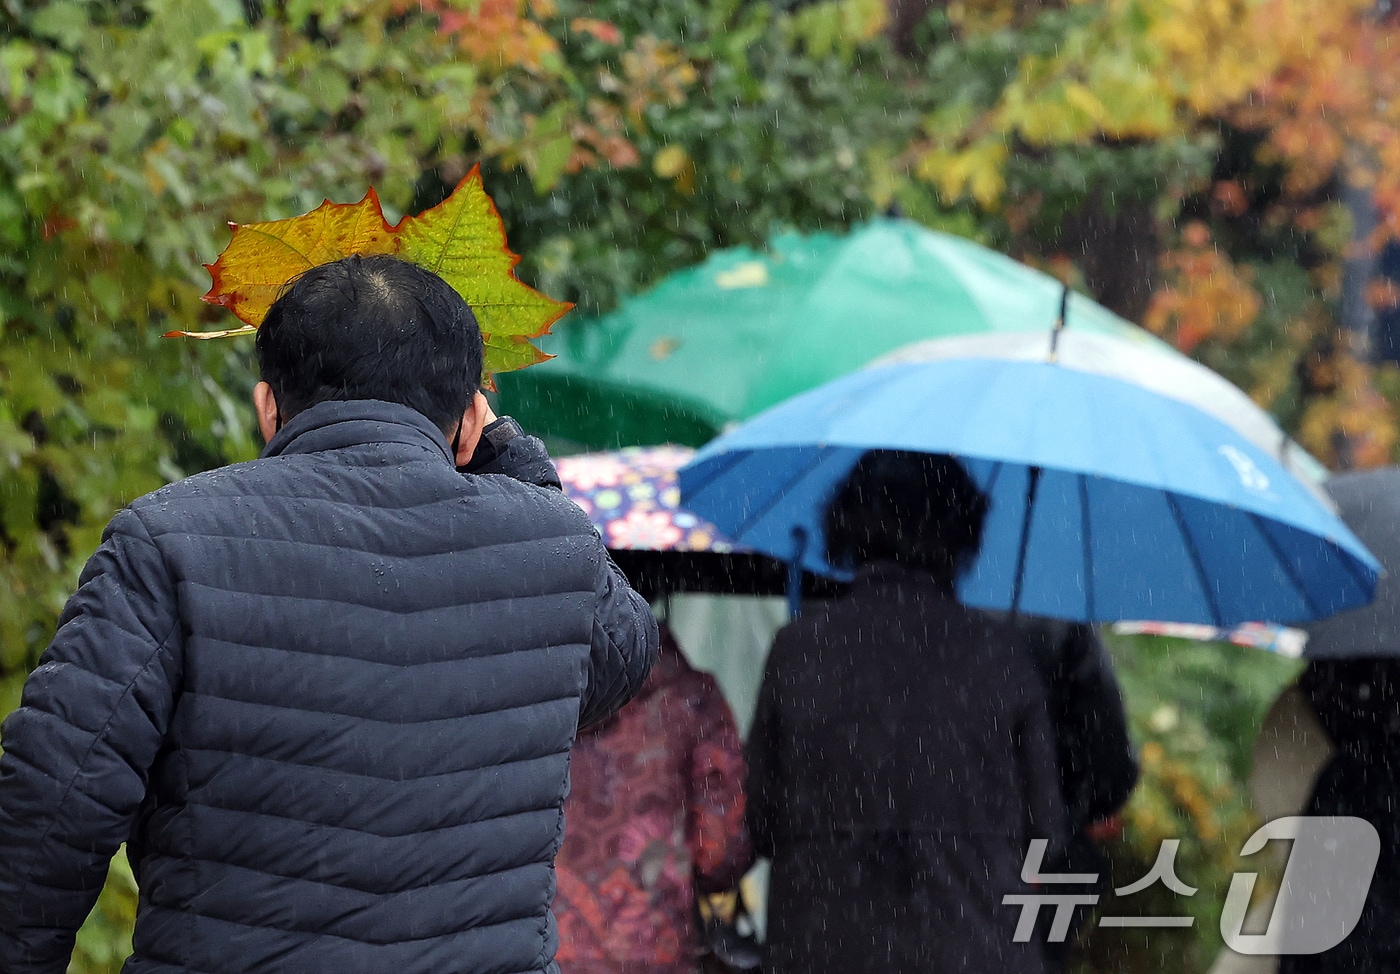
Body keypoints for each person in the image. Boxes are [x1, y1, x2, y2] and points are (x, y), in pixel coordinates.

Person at [0, 254, 659, 974]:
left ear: (267, 408)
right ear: (469, 422)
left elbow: (51, 799)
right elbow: (622, 658)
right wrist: (513, 458)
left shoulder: (166, 540)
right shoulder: (552, 550)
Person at [745, 450, 1066, 974]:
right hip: (976, 947)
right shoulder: (1000, 657)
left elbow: (758, 821)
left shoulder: (801, 650)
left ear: (845, 523)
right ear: (962, 532)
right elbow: (1047, 835)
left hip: (823, 945)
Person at [553, 624, 752, 974]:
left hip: (544, 950)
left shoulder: (520, 699)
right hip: (652, 952)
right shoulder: (690, 699)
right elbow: (719, 851)